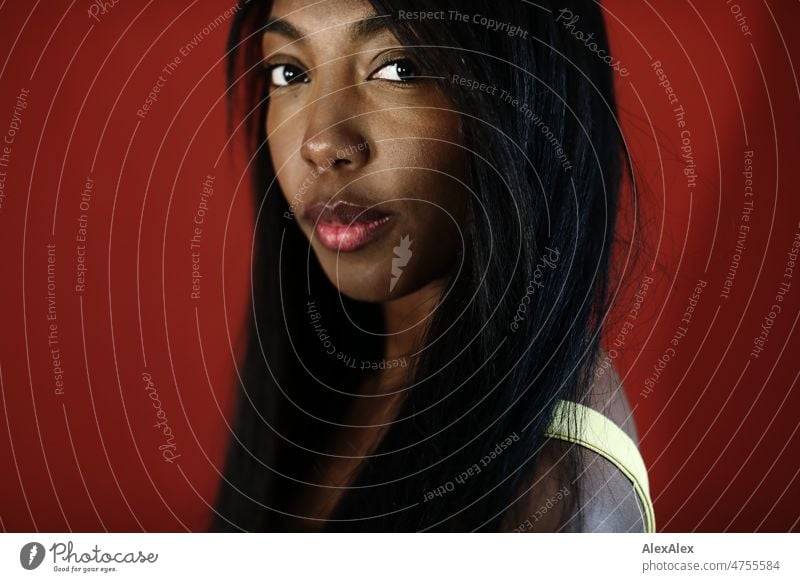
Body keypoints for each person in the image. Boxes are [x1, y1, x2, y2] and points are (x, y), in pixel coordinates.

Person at [211, 0, 655, 533]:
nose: (320, 142)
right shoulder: (341, 393)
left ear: (525, 95)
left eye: (400, 67)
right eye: (290, 72)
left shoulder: (543, 478)